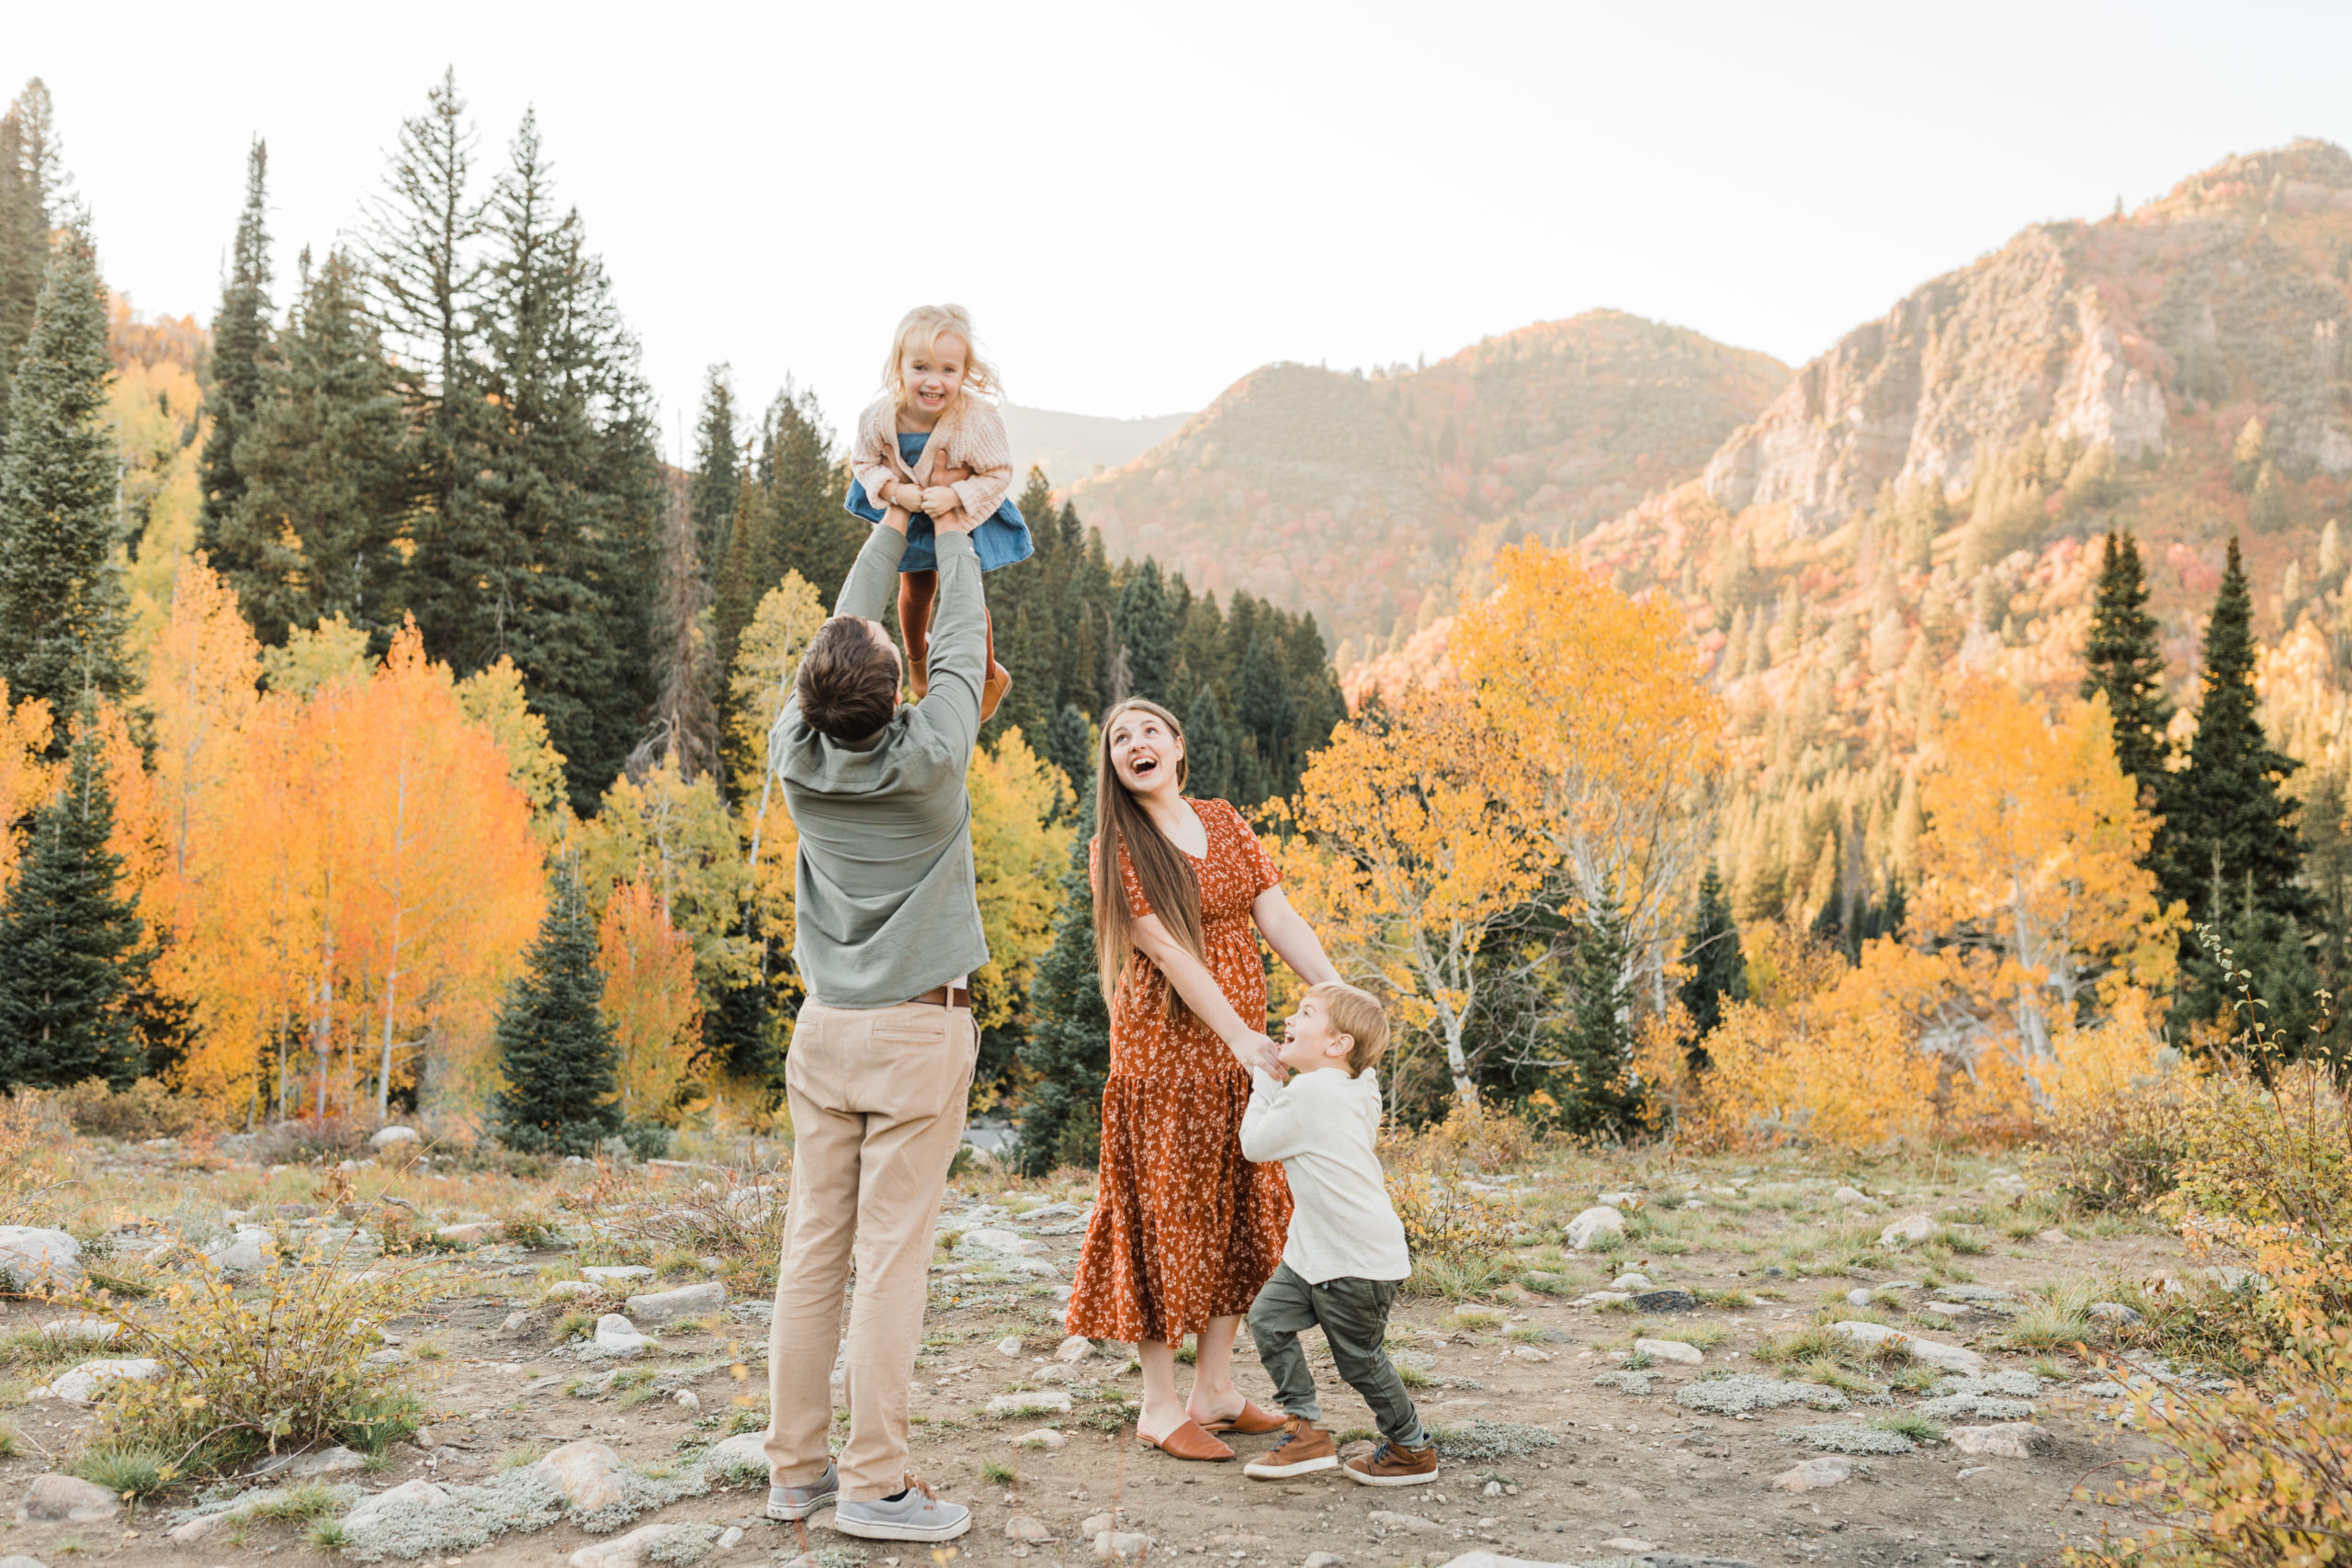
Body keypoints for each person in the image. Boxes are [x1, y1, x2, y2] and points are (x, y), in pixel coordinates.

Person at [758, 491, 990, 1542]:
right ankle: (876, 1486)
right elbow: (962, 639)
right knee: (889, 1259)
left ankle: (796, 1476)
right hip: (915, 1032)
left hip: (827, 1032)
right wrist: (954, 527)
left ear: (807, 695)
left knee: (813, 1251)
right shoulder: (932, 759)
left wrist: (893, 521)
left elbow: (843, 638)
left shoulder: (793, 755)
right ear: (895, 695)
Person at [1065, 697, 1343, 1461]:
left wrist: (1337, 994)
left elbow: (1278, 918)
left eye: (1149, 730)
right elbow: (1172, 954)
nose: (1135, 742)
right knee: (1162, 1210)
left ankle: (1214, 1388)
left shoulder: (1224, 820)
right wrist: (1244, 1038)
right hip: (1165, 1053)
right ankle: (1158, 1404)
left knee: (1237, 1200)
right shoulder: (1116, 844)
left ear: (1178, 747)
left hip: (1242, 1053)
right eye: (1120, 737)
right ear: (1114, 766)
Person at [1234, 984, 1438, 1486]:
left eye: (1305, 1013)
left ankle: (1411, 1448)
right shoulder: (1360, 1086)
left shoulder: (1313, 1091)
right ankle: (1307, 1430)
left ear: (1337, 1044)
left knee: (1360, 1362)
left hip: (1353, 1262)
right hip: (1313, 1253)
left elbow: (1255, 1145)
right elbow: (1367, 1068)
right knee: (1268, 1320)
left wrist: (1265, 1076)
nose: (1290, 1018)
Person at [844, 302, 1030, 717]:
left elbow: (998, 472)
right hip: (910, 514)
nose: (934, 382)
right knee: (916, 588)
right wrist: (894, 490)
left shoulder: (976, 422)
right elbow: (863, 464)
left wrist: (957, 495)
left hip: (956, 515)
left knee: (962, 591)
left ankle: (986, 676)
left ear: (965, 372)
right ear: (899, 368)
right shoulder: (876, 419)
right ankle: (918, 658)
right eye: (921, 368)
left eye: (948, 370)